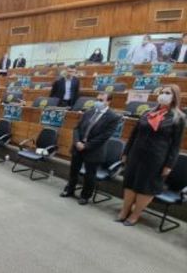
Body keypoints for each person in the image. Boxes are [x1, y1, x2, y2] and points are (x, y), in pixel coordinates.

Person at [117, 84, 185, 226]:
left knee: (145, 187)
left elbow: (175, 145)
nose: (163, 95)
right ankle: (124, 211)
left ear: (174, 97)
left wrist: (169, 165)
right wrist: (126, 152)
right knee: (130, 182)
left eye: (167, 93)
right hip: (136, 154)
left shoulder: (179, 118)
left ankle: (135, 215)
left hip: (156, 158)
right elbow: (133, 135)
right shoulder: (147, 112)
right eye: (162, 92)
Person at [60, 92, 121, 204]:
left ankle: (85, 196)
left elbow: (104, 136)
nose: (98, 102)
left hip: (94, 150)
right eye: (97, 99)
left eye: (101, 100)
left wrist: (86, 145)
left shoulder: (113, 117)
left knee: (90, 175)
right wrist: (77, 142)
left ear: (109, 101)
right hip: (78, 147)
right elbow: (76, 128)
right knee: (74, 171)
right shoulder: (89, 112)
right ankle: (69, 190)